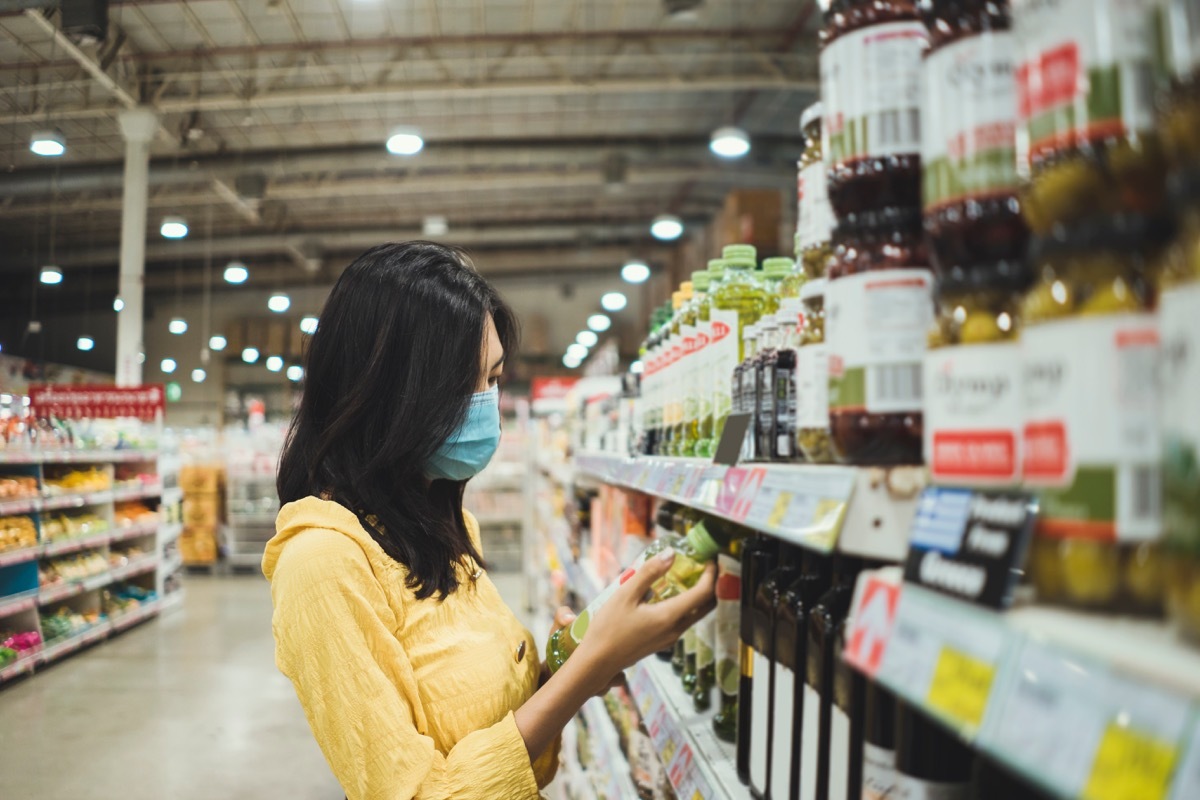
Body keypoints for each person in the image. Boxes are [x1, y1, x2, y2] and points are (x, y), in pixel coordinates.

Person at [263, 241, 716, 800]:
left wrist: (569, 660)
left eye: (494, 380)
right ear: (390, 393)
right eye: (465, 385)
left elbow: (489, 719)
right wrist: (588, 669)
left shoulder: (441, 524)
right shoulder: (324, 563)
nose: (486, 404)